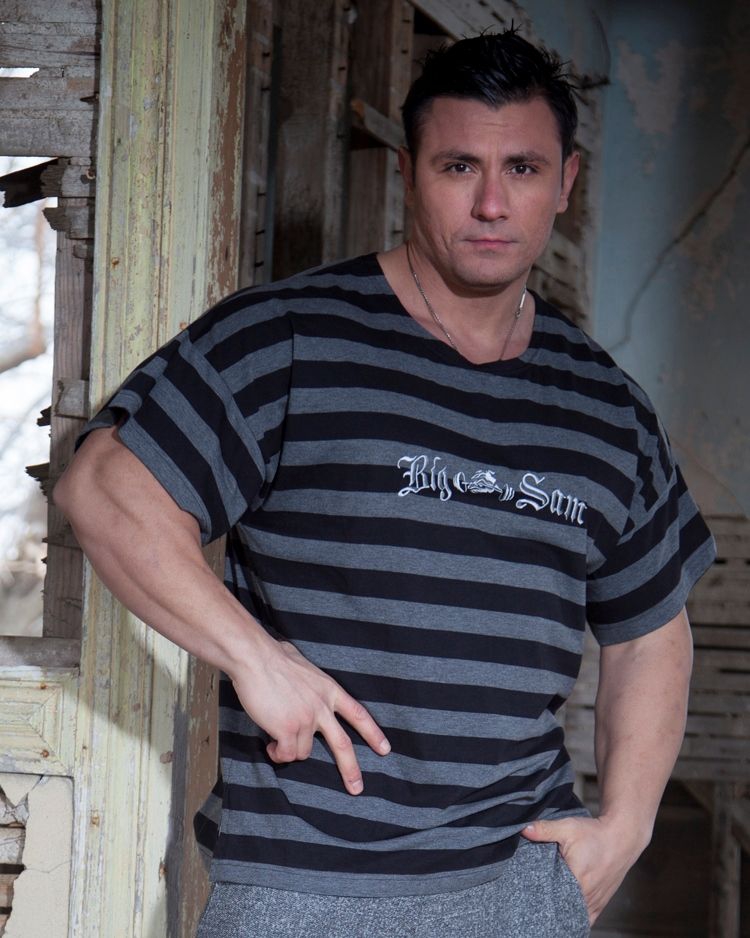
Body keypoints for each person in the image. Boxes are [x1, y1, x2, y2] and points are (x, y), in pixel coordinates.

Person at [54, 28, 715, 938]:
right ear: (408, 172)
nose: (491, 202)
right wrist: (256, 658)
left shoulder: (605, 406)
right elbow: (104, 488)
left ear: (567, 181)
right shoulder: (288, 339)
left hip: (518, 884)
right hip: (305, 887)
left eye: (523, 168)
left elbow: (651, 633)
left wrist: (628, 826)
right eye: (458, 166)